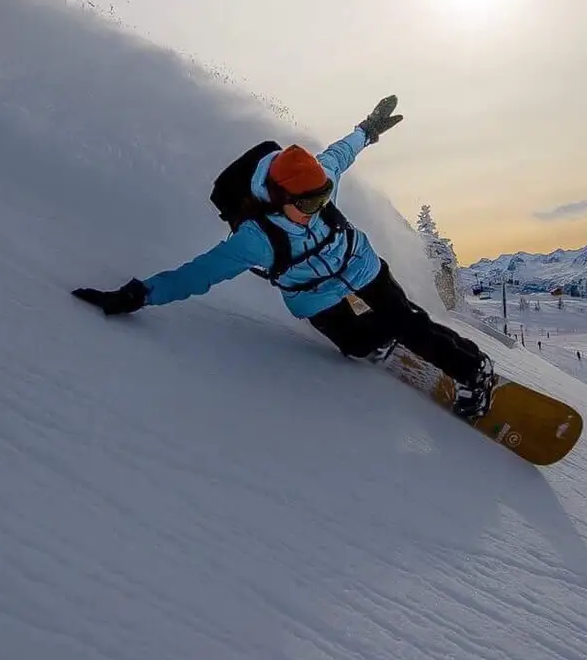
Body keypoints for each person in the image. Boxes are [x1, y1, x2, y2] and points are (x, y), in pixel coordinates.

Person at [72, 95, 498, 420]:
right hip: (314, 296)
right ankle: (375, 339)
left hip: (360, 266)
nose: (319, 206)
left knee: (407, 321)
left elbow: (340, 153)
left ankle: (474, 371)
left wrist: (367, 129)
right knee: (356, 344)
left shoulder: (313, 180)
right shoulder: (255, 239)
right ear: (278, 198)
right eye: (309, 203)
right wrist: (139, 295)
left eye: (324, 197)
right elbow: (196, 275)